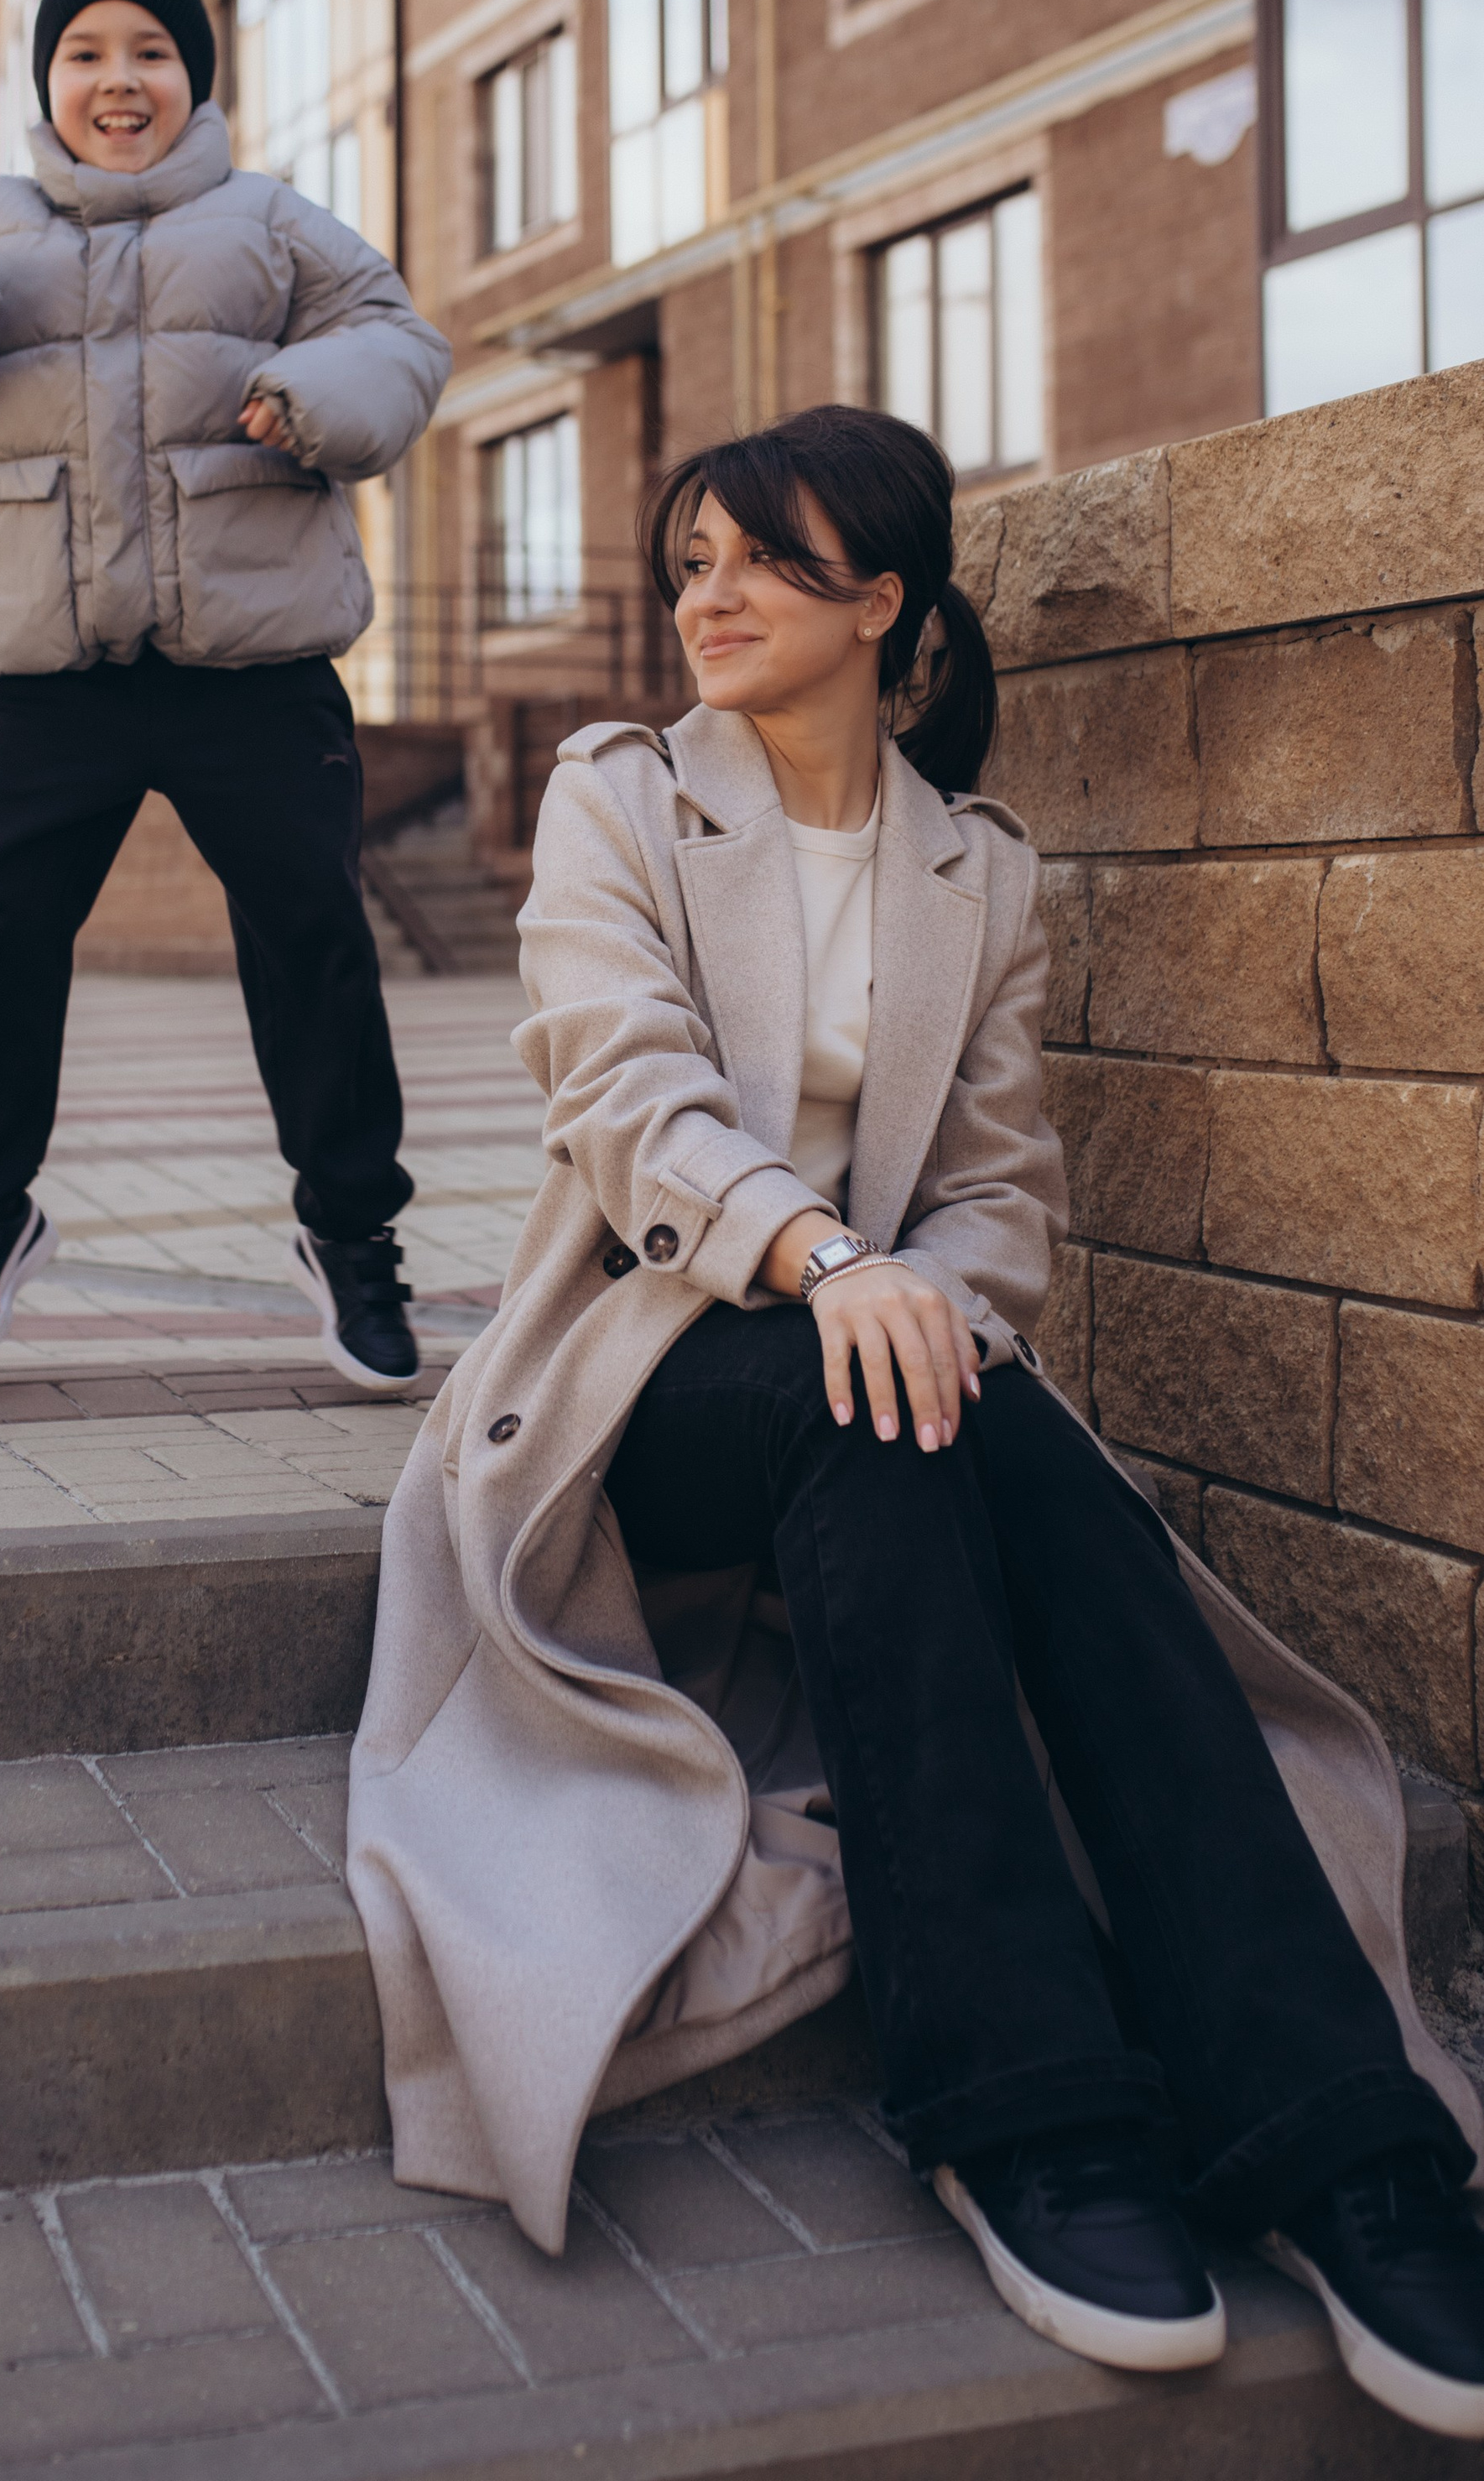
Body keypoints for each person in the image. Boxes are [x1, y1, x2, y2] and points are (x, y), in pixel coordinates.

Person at [348, 404, 1484, 2439]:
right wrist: (817, 1261)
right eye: (686, 559)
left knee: (926, 1421)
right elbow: (621, 1099)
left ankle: (1336, 2141)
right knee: (870, 1407)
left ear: (880, 598)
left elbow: (992, 1186)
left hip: (873, 1378)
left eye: (753, 561)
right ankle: (1025, 2114)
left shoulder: (977, 865)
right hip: (642, 1365)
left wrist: (920, 1309)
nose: (701, 596)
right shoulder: (620, 799)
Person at [0, 0, 447, 1389]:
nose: (119, 79)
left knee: (314, 942)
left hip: (251, 673)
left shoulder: (270, 223)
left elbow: (399, 342)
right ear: (48, 82)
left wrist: (311, 393)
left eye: (151, 50)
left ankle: (349, 1237)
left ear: (193, 76)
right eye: (87, 53)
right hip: (49, 681)